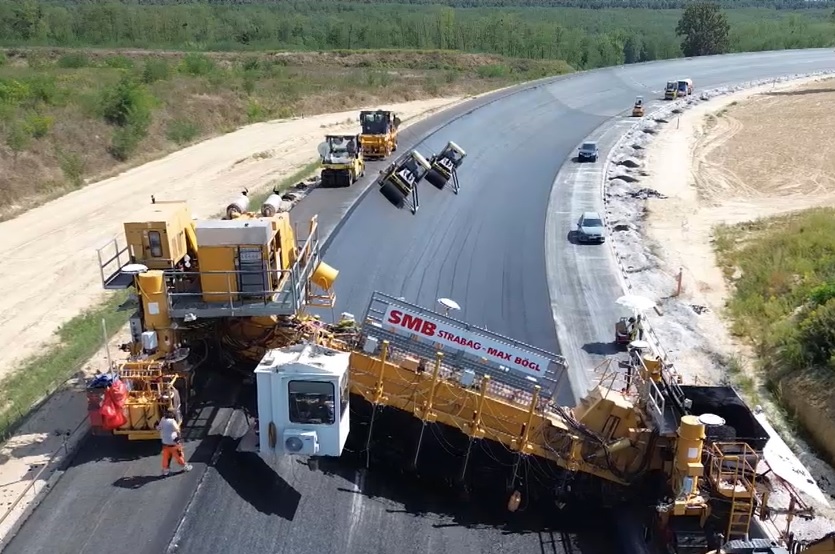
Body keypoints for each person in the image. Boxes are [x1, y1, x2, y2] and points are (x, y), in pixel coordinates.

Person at [157, 409, 192, 476]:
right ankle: (185, 466)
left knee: (166, 457)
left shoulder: (162, 419)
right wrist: (178, 438)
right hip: (173, 443)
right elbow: (177, 430)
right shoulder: (172, 421)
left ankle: (165, 471)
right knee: (179, 456)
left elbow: (158, 428)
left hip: (165, 443)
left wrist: (155, 426)